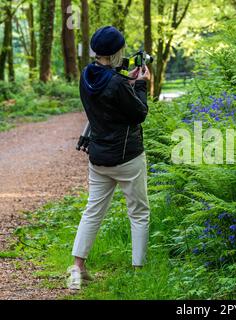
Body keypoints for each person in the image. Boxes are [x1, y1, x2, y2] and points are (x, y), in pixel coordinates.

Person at [67, 26, 151, 289]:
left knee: (92, 212)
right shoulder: (117, 83)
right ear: (117, 53)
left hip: (98, 158)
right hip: (128, 159)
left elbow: (107, 96)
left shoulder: (86, 76)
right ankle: (138, 272)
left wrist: (128, 84)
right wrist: (141, 86)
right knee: (139, 212)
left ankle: (77, 269)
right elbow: (139, 114)